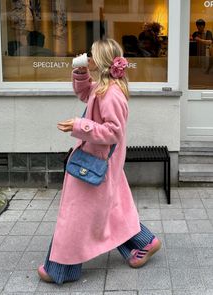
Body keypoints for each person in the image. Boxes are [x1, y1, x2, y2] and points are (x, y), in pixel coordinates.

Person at [37, 38, 161, 285]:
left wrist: (79, 125)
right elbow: (86, 94)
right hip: (99, 163)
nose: (88, 59)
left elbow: (114, 132)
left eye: (92, 57)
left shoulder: (111, 94)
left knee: (75, 214)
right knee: (111, 209)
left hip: (95, 164)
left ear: (102, 62)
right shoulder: (103, 88)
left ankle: (62, 269)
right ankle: (145, 242)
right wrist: (81, 74)